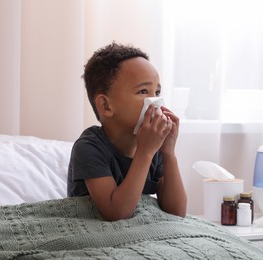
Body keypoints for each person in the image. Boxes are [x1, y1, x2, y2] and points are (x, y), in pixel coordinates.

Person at [67, 42, 187, 221]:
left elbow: (177, 213)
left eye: (157, 92)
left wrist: (168, 152)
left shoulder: (154, 145)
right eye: (143, 91)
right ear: (106, 105)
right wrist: (145, 152)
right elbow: (116, 213)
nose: (155, 102)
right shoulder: (89, 147)